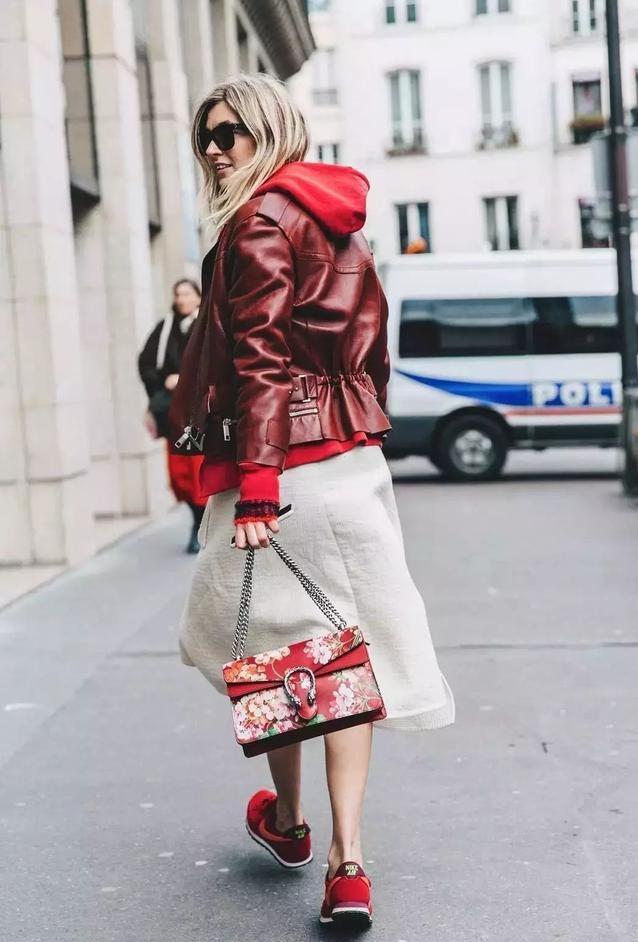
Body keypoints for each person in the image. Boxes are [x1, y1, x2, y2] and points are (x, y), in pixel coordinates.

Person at [173, 74, 455, 927]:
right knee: (343, 655)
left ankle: (292, 821)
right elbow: (373, 347)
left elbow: (259, 360)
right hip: (352, 462)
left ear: (268, 130)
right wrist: (357, 426)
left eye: (229, 132)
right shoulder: (337, 219)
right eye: (205, 136)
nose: (215, 150)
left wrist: (259, 487)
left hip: (282, 466)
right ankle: (349, 859)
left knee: (273, 644)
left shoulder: (259, 221)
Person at [138, 279, 206, 553]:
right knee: (179, 476)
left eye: (187, 294)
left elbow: (217, 362)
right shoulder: (166, 327)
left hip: (201, 414)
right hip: (174, 415)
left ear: (198, 297)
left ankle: (201, 525)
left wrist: (186, 379)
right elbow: (145, 362)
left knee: (199, 472)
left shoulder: (207, 324)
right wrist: (163, 381)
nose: (181, 299)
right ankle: (198, 519)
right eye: (178, 294)